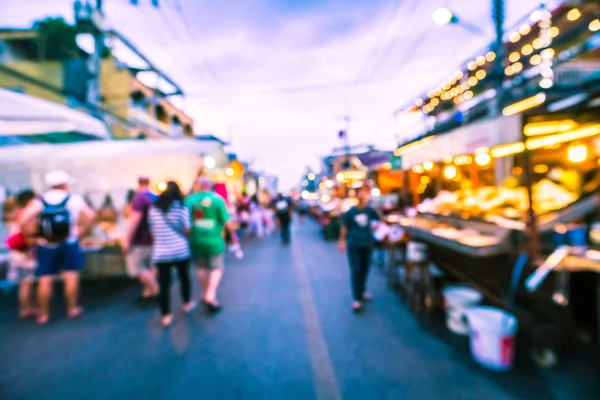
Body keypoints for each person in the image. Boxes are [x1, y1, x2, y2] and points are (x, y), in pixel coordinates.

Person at [19, 171, 96, 325]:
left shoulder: (40, 200)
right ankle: (72, 308)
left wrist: (34, 234)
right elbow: (91, 216)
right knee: (71, 275)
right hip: (69, 242)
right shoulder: (74, 199)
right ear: (65, 184)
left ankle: (44, 314)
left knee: (45, 278)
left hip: (46, 244)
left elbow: (23, 220)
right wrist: (81, 232)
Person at [185, 177, 238, 312]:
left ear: (197, 185)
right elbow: (227, 222)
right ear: (210, 186)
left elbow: (185, 224)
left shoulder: (189, 201)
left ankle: (204, 293)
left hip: (196, 240)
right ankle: (210, 294)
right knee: (216, 268)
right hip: (214, 240)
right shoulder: (218, 200)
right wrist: (234, 237)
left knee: (201, 268)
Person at [148, 181, 195, 327]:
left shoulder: (153, 209)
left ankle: (166, 315)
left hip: (161, 252)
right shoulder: (182, 208)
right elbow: (187, 228)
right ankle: (187, 303)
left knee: (164, 284)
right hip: (180, 250)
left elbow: (151, 229)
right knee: (184, 278)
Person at [338, 185, 380, 313]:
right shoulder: (351, 212)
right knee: (356, 270)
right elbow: (344, 227)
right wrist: (342, 240)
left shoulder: (370, 211)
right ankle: (356, 298)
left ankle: (362, 291)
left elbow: (378, 221)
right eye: (360, 194)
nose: (363, 196)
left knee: (365, 269)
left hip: (367, 244)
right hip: (354, 244)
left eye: (365, 193)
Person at [122, 177, 159, 304]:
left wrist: (127, 239)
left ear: (138, 184)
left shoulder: (139, 198)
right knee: (151, 267)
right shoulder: (156, 197)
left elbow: (135, 219)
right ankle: (148, 293)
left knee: (137, 268)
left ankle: (156, 291)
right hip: (153, 239)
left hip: (140, 240)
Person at [6, 189, 38, 319]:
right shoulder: (26, 215)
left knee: (23, 283)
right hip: (26, 253)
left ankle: (25, 308)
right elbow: (30, 233)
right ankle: (26, 309)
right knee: (27, 283)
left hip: (16, 253)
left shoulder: (13, 214)